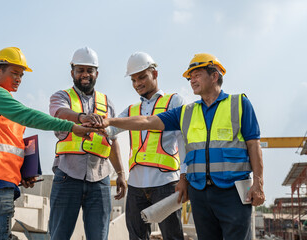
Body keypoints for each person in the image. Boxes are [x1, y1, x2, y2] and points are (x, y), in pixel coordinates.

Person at [99, 53, 265, 240]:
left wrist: (258, 182)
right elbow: (147, 120)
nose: (192, 80)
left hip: (232, 192)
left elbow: (253, 144)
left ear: (214, 75)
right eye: (190, 77)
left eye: (197, 75)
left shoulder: (239, 104)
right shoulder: (187, 112)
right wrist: (108, 122)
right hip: (201, 194)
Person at [0, 47, 99, 240]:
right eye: (14, 73)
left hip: (0, 182)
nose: (19, 79)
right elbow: (29, 115)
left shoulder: (5, 104)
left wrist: (22, 172)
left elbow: (8, 145)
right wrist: (72, 126)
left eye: (21, 75)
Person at [48, 47, 127, 240]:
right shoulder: (61, 97)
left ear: (96, 73)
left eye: (89, 70)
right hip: (67, 175)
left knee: (99, 236)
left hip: (99, 179)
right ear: (72, 72)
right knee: (59, 235)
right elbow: (58, 113)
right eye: (80, 70)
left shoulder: (107, 103)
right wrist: (81, 117)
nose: (85, 74)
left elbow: (112, 140)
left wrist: (121, 174)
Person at [106, 52, 185, 240]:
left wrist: (185, 177)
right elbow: (110, 130)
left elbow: (184, 141)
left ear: (155, 74)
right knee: (136, 237)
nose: (137, 84)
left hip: (166, 183)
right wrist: (87, 123)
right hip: (136, 186)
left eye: (142, 77)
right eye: (133, 80)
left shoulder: (174, 101)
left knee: (172, 236)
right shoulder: (132, 110)